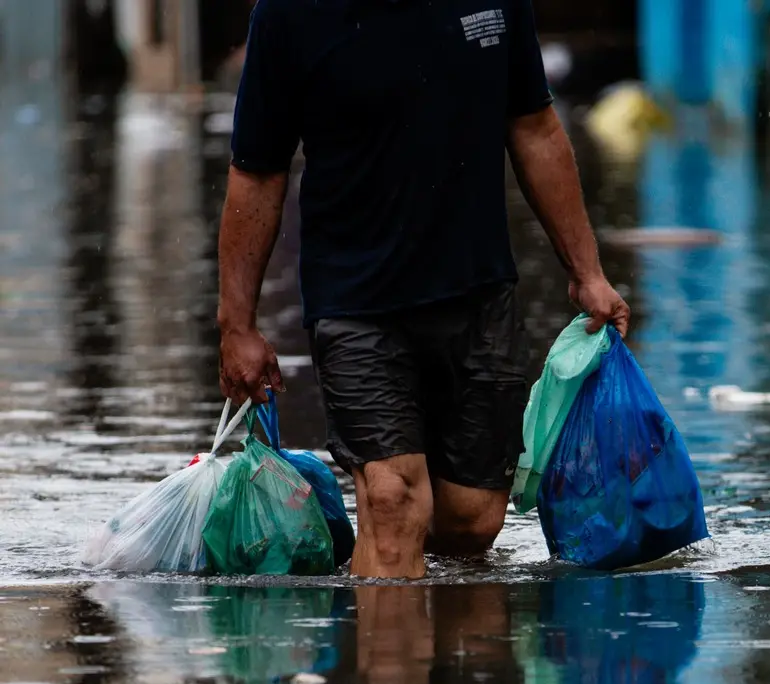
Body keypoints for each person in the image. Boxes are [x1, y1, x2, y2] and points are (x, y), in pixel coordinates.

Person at [217, 0, 630, 579]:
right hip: (355, 302)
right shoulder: (290, 13)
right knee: (393, 502)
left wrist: (587, 272)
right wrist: (237, 324)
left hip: (478, 291)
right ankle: (387, 665)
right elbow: (257, 169)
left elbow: (534, 127)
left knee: (471, 523)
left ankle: (437, 657)